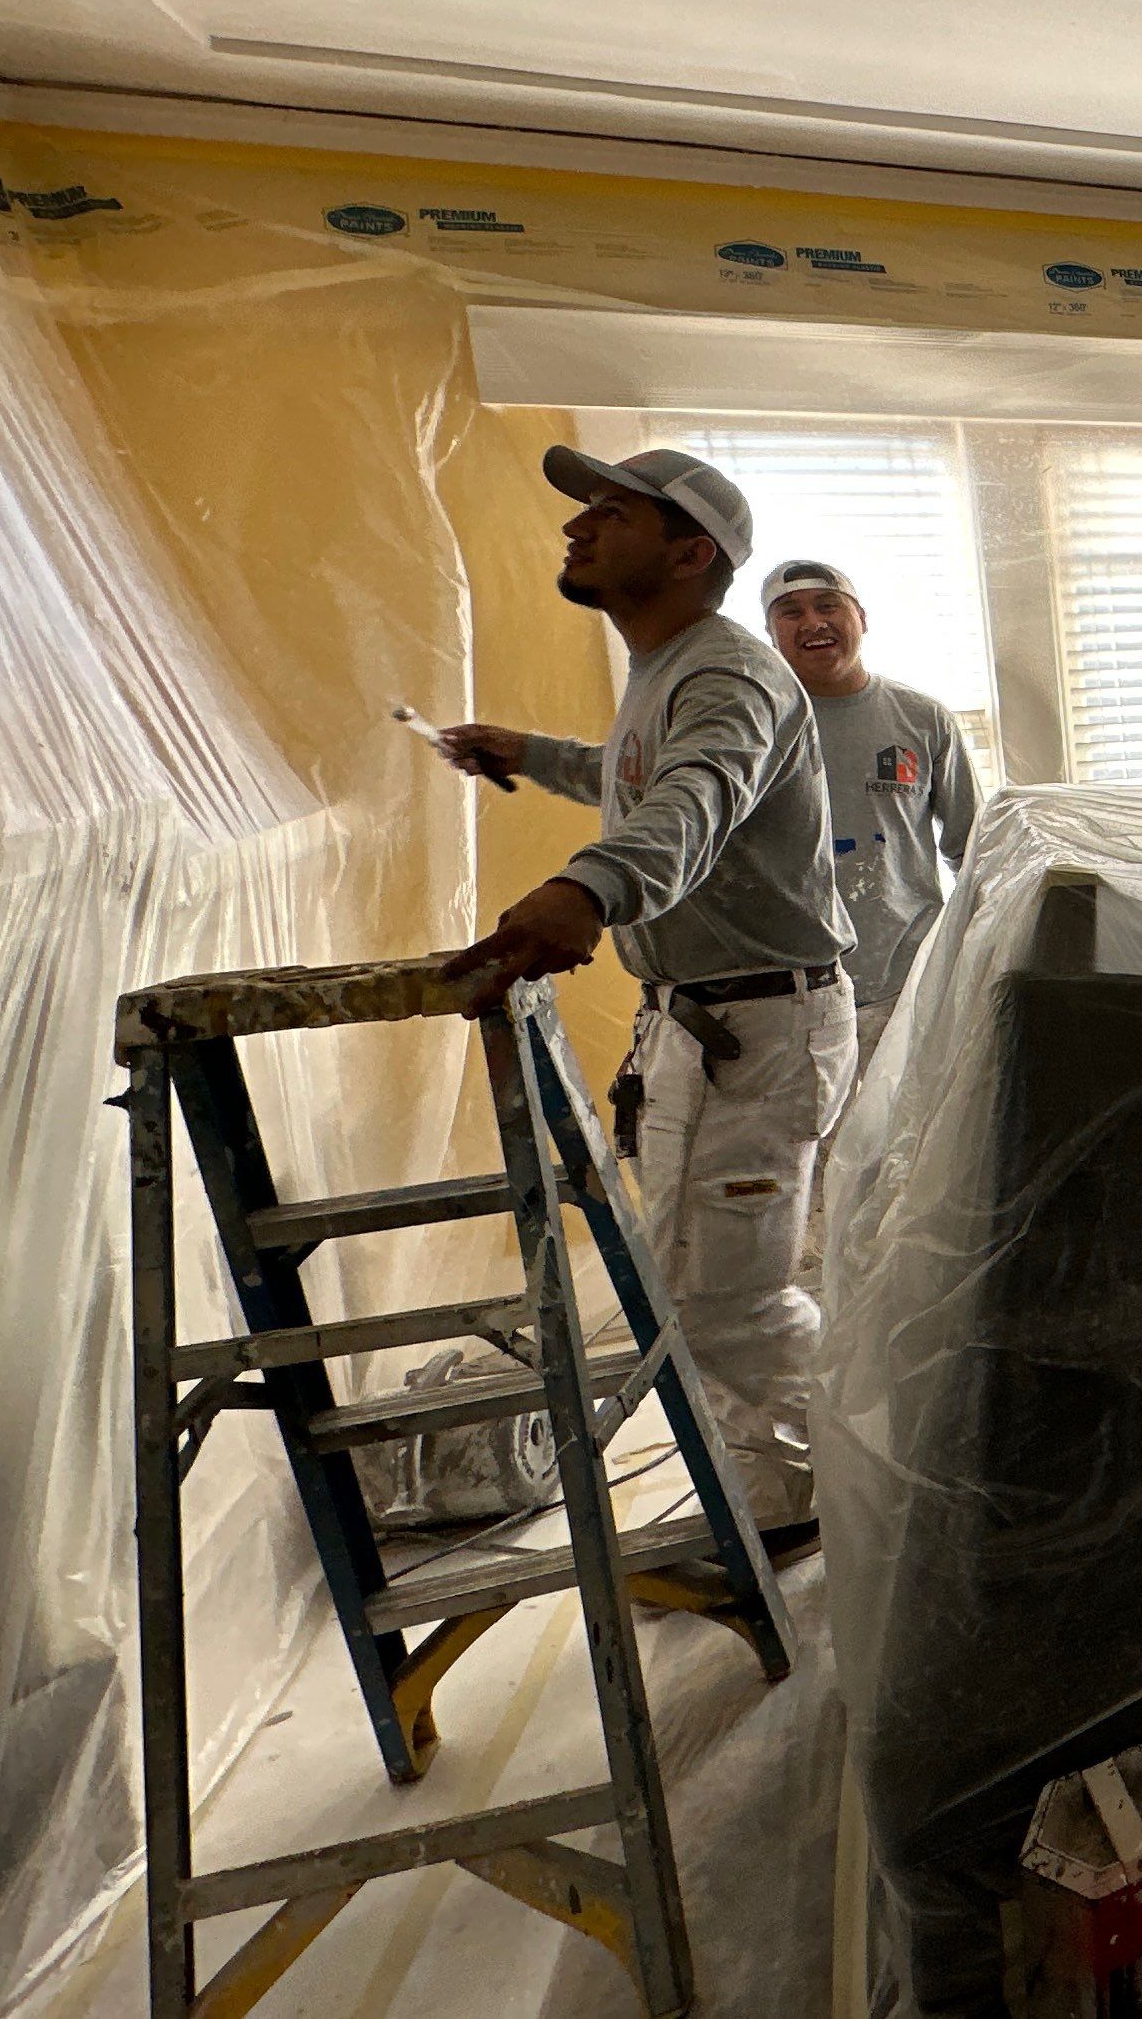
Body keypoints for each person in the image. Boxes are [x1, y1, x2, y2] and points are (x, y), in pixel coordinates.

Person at [439, 445, 855, 1547]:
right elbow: (637, 773)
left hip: (761, 1026)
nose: (578, 527)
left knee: (734, 1297)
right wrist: (530, 752)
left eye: (611, 514)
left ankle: (809, 1512)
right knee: (690, 1277)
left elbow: (697, 797)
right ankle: (763, 1494)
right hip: (709, 1020)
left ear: (690, 552)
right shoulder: (665, 667)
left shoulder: (727, 674)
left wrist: (591, 888)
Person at [756, 560, 979, 1083]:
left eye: (828, 605)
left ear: (861, 618)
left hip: (909, 982)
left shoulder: (922, 718)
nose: (812, 622)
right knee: (817, 1157)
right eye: (790, 613)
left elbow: (971, 847)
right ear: (770, 635)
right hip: (794, 992)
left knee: (910, 1150)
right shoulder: (755, 724)